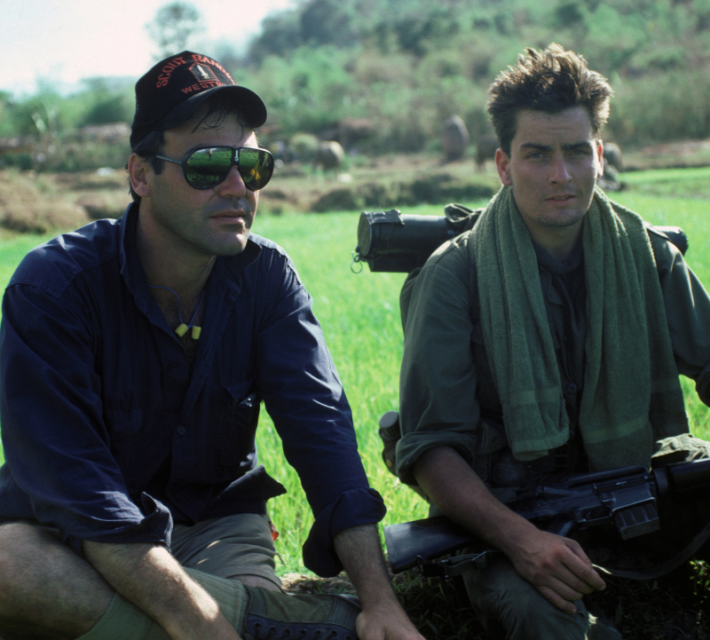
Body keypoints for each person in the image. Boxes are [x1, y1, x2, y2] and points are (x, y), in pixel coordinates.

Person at [0, 51, 423, 640]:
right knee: (10, 565)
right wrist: (198, 620)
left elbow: (321, 432)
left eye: (251, 166)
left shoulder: (267, 278)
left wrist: (382, 604)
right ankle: (290, 625)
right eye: (205, 167)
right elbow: (81, 490)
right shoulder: (54, 289)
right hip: (75, 532)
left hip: (217, 521)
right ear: (141, 175)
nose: (235, 187)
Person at [396, 43, 710, 639]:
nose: (560, 176)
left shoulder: (644, 255)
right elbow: (433, 452)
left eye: (575, 153)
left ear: (598, 155)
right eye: (537, 155)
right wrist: (523, 542)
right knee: (557, 628)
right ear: (503, 164)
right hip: (510, 516)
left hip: (634, 488)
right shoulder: (452, 277)